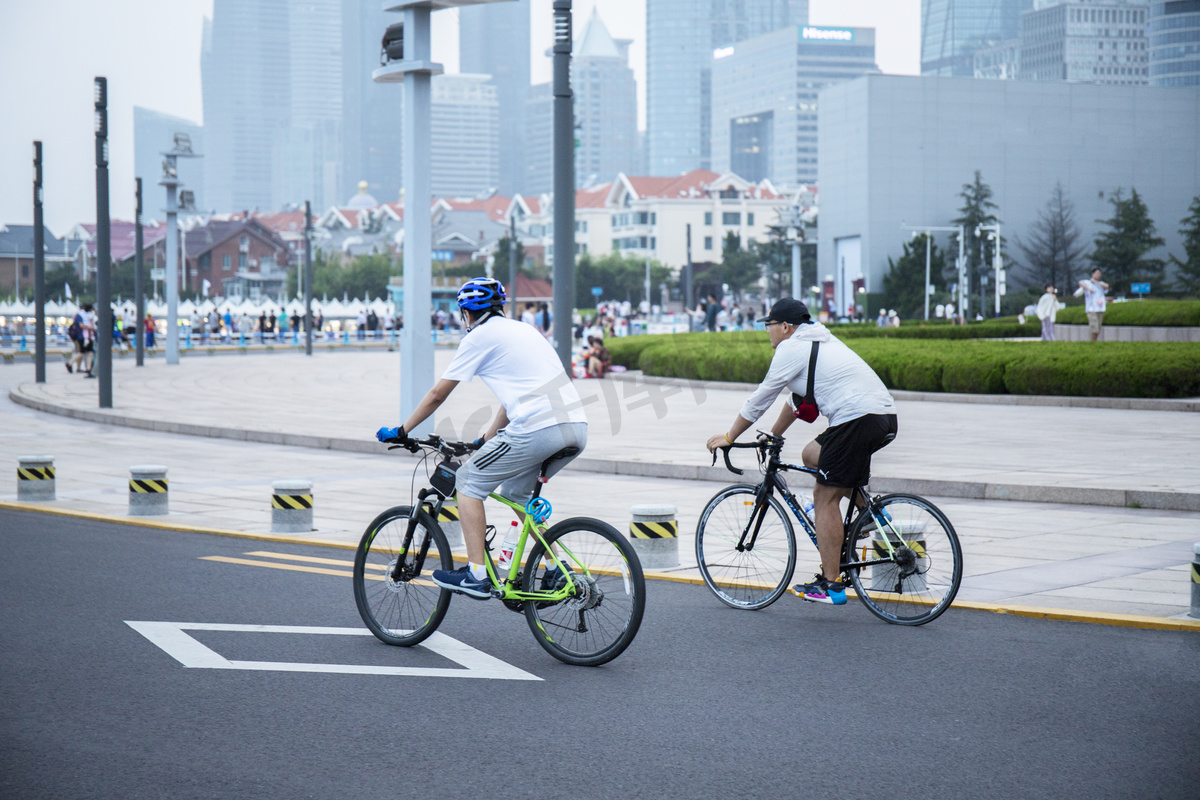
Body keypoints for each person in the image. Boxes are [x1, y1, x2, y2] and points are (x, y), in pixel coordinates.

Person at [375, 277, 588, 599]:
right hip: (576, 426)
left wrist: (404, 431)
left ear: (467, 314)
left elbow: (437, 394)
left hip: (537, 427)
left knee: (468, 482)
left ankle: (477, 574)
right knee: (517, 495)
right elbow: (512, 397)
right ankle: (558, 567)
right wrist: (485, 439)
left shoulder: (479, 337)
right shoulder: (524, 331)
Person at [705, 298, 897, 606]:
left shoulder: (790, 348)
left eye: (769, 325)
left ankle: (831, 586)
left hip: (856, 419)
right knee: (812, 455)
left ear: (785, 326)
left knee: (825, 496)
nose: (767, 331)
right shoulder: (818, 341)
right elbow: (798, 402)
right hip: (881, 417)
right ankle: (872, 513)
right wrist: (774, 435)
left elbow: (761, 397)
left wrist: (730, 436)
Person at [1078, 268, 1109, 342]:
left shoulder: (1101, 283)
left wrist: (1096, 282)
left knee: (1098, 328)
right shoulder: (1088, 282)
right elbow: (1080, 282)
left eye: (1099, 274)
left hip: (1100, 308)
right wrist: (1088, 289)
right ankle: (1092, 342)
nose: (1098, 275)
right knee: (1094, 328)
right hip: (1091, 309)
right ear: (1093, 274)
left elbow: (1106, 286)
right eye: (1097, 273)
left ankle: (1094, 342)